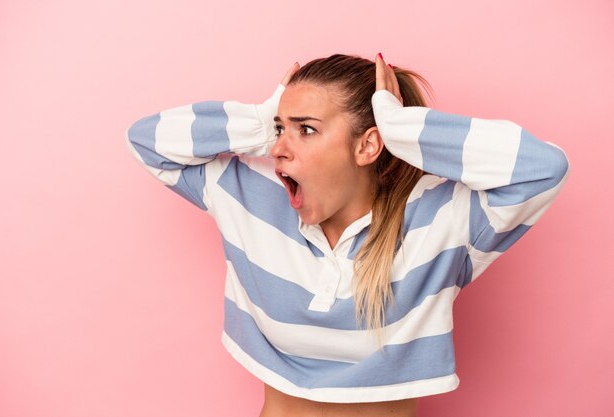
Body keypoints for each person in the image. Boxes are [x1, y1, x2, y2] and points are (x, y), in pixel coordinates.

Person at [125, 53, 570, 417]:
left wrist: (403, 130)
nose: (279, 148)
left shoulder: (441, 221)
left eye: (307, 129)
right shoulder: (249, 200)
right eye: (282, 129)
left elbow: (543, 169)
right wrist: (259, 124)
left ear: (367, 145)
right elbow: (147, 140)